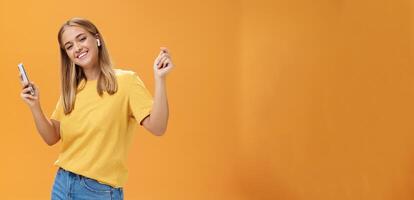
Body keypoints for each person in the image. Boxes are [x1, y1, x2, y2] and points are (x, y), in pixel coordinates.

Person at [19, 17, 174, 200]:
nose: (77, 48)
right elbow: (52, 137)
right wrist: (35, 106)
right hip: (63, 183)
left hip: (98, 191)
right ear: (66, 54)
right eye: (69, 46)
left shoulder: (126, 82)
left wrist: (160, 79)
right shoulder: (72, 91)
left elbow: (158, 127)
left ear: (97, 39)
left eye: (81, 38)